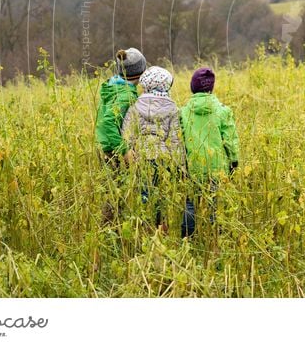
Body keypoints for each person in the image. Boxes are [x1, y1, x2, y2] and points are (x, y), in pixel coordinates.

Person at [121, 66, 186, 234]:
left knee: (144, 192)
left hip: (141, 157)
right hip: (163, 159)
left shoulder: (135, 107)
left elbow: (126, 134)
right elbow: (175, 140)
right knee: (161, 194)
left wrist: (128, 153)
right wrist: (180, 166)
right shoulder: (173, 109)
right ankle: (160, 228)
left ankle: (144, 228)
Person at [179, 67, 240, 237]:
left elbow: (180, 140)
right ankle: (216, 237)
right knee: (215, 204)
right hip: (217, 168)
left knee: (191, 203)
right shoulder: (223, 111)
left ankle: (187, 237)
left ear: (192, 87)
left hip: (192, 167)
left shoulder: (183, 112)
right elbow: (231, 140)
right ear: (211, 88)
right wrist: (234, 162)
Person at [95, 47, 146, 222]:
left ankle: (112, 231)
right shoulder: (125, 96)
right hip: (114, 152)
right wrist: (125, 150)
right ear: (141, 71)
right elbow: (108, 122)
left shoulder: (114, 86)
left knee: (113, 196)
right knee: (115, 199)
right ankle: (110, 235)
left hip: (106, 147)